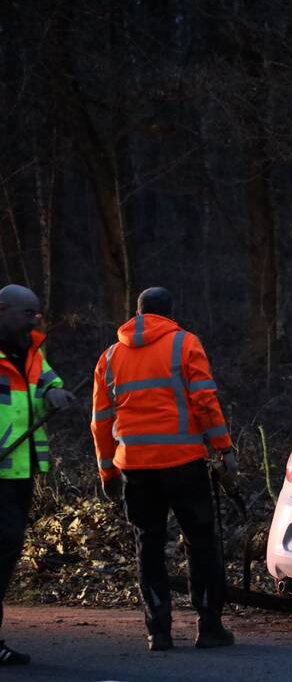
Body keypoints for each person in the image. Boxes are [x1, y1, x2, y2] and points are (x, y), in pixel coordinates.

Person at [90, 287, 238, 652]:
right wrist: (223, 448)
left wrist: (107, 473)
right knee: (200, 543)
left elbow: (100, 422)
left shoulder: (109, 357)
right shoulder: (184, 343)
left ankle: (158, 632)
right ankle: (209, 627)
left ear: (138, 313)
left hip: (135, 469)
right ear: (171, 312)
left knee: (149, 545)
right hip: (183, 463)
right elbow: (204, 401)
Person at [0, 285, 74, 666]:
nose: (34, 321)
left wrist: (54, 394)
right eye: (28, 313)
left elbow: (48, 382)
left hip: (20, 469)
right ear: (3, 309)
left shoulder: (31, 351)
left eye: (38, 315)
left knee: (7, 550)